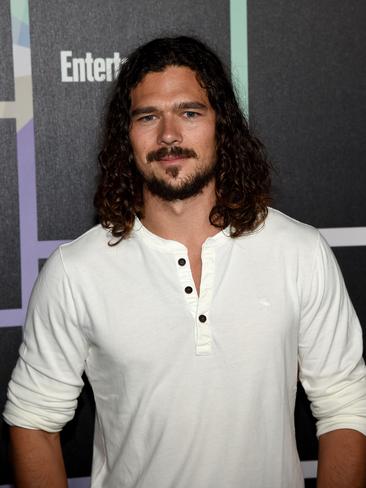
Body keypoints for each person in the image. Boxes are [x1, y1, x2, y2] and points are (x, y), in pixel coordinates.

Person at [3, 36, 366, 488]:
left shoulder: (299, 251)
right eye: (148, 116)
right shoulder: (75, 271)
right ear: (127, 135)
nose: (169, 134)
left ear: (222, 126)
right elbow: (34, 420)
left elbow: (344, 404)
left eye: (189, 113)